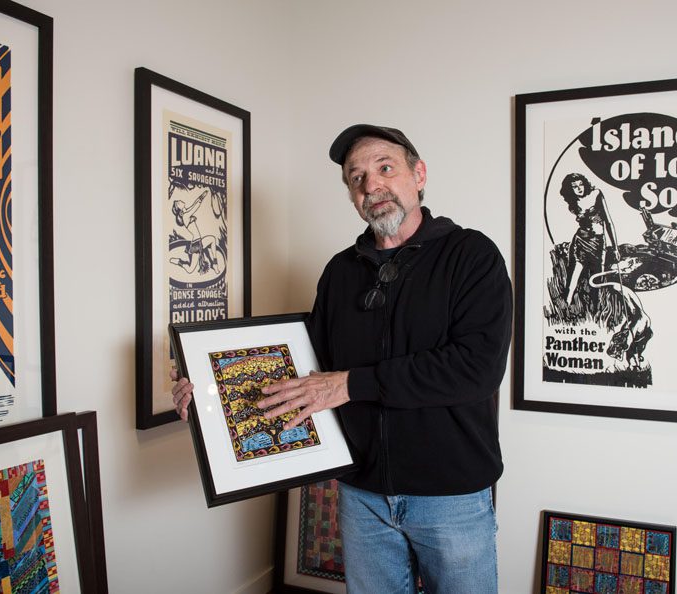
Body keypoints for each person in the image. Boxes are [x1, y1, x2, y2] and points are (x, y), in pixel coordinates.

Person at [172, 124, 512, 594]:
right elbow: (302, 371)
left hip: (452, 494)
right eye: (357, 178)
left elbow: (475, 369)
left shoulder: (472, 256)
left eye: (385, 168)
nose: (371, 185)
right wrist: (210, 391)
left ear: (419, 175)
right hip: (360, 492)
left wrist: (348, 384)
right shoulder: (339, 271)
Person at [559, 172, 620, 314]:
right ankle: (564, 310)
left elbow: (608, 222)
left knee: (597, 279)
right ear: (570, 189)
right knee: (573, 278)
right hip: (580, 241)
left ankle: (595, 312)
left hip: (598, 243)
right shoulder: (572, 203)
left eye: (580, 184)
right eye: (574, 186)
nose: (579, 188)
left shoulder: (596, 194)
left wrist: (615, 247)